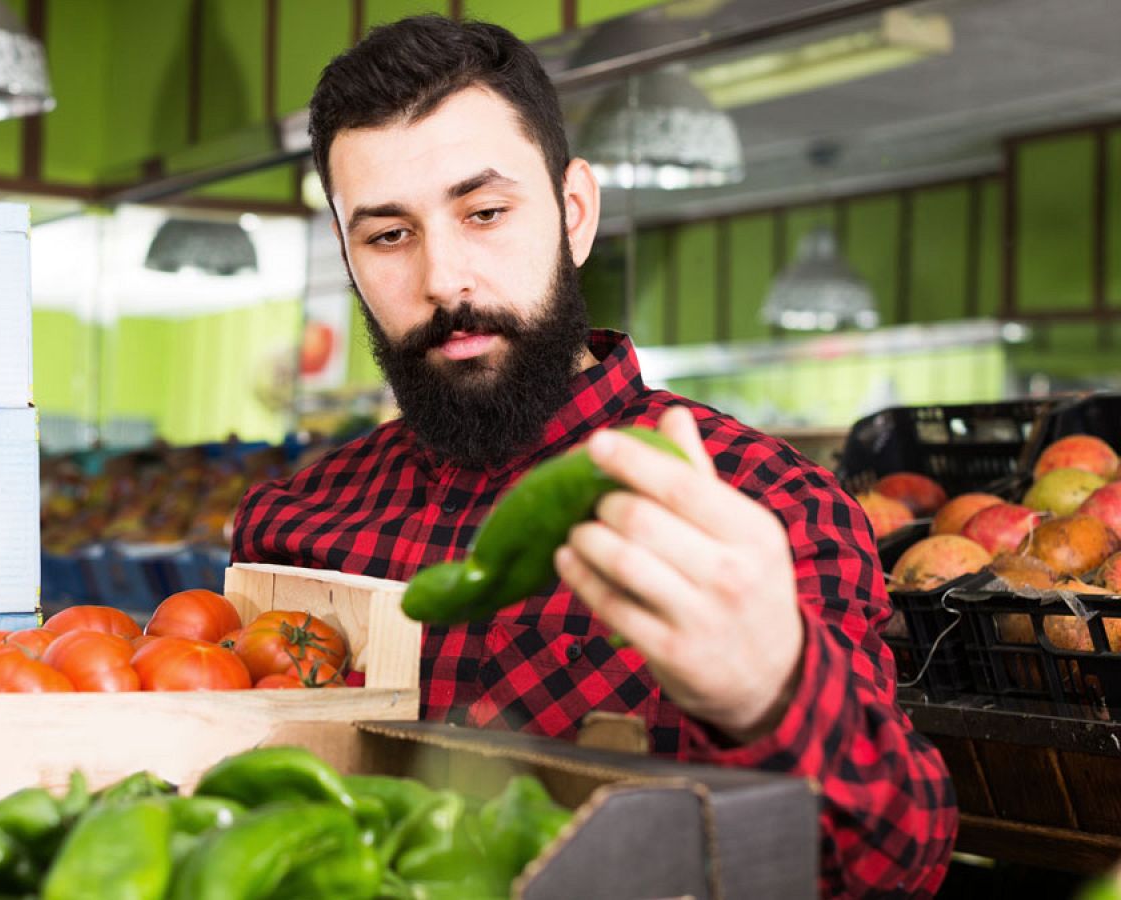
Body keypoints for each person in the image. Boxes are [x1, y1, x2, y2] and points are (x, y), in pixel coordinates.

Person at [231, 15, 956, 899]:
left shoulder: (762, 507)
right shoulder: (291, 525)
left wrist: (775, 688)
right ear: (349, 256)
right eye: (388, 236)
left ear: (574, 214)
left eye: (485, 213)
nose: (444, 280)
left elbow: (898, 865)